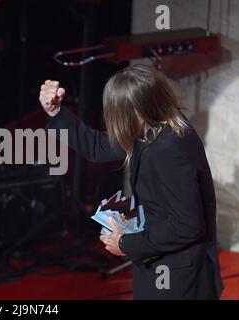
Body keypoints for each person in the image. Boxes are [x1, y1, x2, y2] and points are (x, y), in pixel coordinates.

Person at [39, 64, 224, 299]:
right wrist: (56, 113)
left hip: (176, 279)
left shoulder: (167, 150)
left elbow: (187, 225)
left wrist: (126, 244)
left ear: (136, 111)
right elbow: (96, 146)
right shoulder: (154, 126)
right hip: (165, 264)